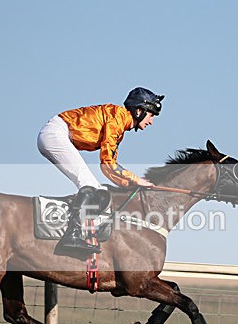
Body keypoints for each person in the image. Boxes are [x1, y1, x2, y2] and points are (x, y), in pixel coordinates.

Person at [37, 87, 164, 254]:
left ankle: (76, 232)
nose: (151, 121)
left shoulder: (119, 123)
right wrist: (136, 180)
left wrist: (129, 185)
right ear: (139, 110)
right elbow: (108, 163)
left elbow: (107, 168)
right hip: (56, 134)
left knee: (100, 192)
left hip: (56, 135)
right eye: (151, 115)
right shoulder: (117, 118)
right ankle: (71, 235)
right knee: (89, 185)